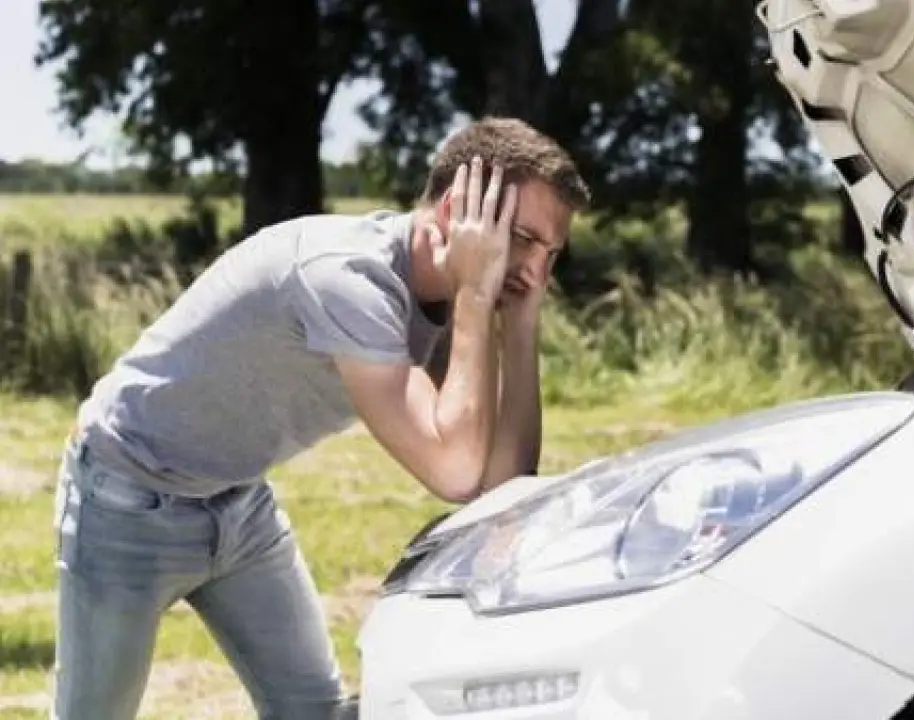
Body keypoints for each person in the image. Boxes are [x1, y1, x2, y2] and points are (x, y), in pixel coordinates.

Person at [50, 117, 591, 719]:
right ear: (457, 213)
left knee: (314, 714)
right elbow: (456, 471)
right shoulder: (349, 279)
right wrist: (476, 298)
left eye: (551, 253)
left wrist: (520, 324)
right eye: (523, 238)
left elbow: (497, 486)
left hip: (237, 500)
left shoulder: (445, 294)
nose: (536, 271)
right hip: (127, 494)